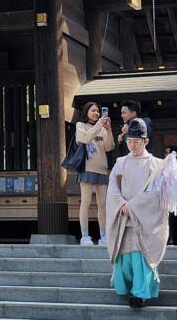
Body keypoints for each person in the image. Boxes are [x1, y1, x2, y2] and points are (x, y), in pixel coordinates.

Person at [105, 118, 177, 308]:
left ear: (146, 141)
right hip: (123, 217)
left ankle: (141, 293)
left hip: (144, 220)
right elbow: (112, 189)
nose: (132, 144)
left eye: (137, 141)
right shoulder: (121, 162)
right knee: (124, 258)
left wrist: (132, 206)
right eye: (129, 141)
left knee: (141, 258)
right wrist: (121, 204)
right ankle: (128, 289)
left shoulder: (156, 165)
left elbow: (156, 195)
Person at [73, 102, 115, 246]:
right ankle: (85, 236)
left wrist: (108, 130)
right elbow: (85, 139)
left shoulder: (102, 128)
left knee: (102, 204)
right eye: (93, 111)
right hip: (87, 167)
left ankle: (104, 235)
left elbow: (109, 147)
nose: (96, 113)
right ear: (86, 112)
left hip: (102, 169)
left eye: (98, 111)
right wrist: (99, 126)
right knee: (86, 202)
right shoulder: (80, 125)